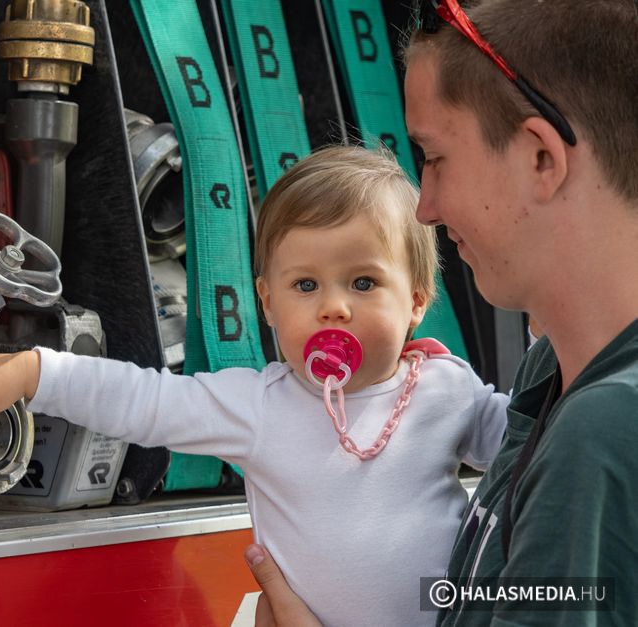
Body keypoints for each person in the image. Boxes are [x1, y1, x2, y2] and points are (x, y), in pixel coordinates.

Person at [0, 145, 508, 625]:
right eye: (305, 285)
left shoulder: (447, 390)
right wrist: (37, 372)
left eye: (363, 282)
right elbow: (148, 401)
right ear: (268, 304)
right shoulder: (259, 405)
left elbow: (534, 446)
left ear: (416, 300)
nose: (333, 307)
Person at [244, 0, 638, 625]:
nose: (424, 207)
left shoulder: (603, 431)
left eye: (433, 157)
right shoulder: (550, 372)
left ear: (541, 156)